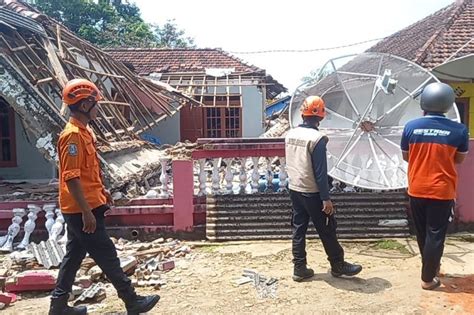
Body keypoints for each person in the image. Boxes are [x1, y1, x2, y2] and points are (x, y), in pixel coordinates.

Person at [49, 79, 160, 315]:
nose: (98, 108)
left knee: (74, 256)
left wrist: (102, 191)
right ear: (85, 105)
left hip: (89, 204)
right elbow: (71, 177)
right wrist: (87, 211)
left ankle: (58, 307)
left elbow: (88, 172)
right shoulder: (72, 137)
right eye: (95, 103)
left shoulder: (85, 132)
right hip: (81, 210)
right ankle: (132, 301)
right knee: (107, 255)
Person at [285, 95, 362, 282]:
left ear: (303, 114)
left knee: (299, 229)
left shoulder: (290, 134)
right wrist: (326, 199)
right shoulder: (318, 139)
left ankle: (299, 267)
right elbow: (320, 172)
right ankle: (338, 265)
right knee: (327, 229)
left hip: (295, 188)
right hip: (312, 192)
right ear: (321, 116)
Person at [401, 82, 469, 290]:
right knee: (436, 234)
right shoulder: (459, 130)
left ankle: (429, 267)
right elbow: (459, 160)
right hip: (442, 190)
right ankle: (428, 278)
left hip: (417, 188)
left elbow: (407, 157)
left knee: (422, 233)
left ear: (424, 102)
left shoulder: (411, 127)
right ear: (448, 104)